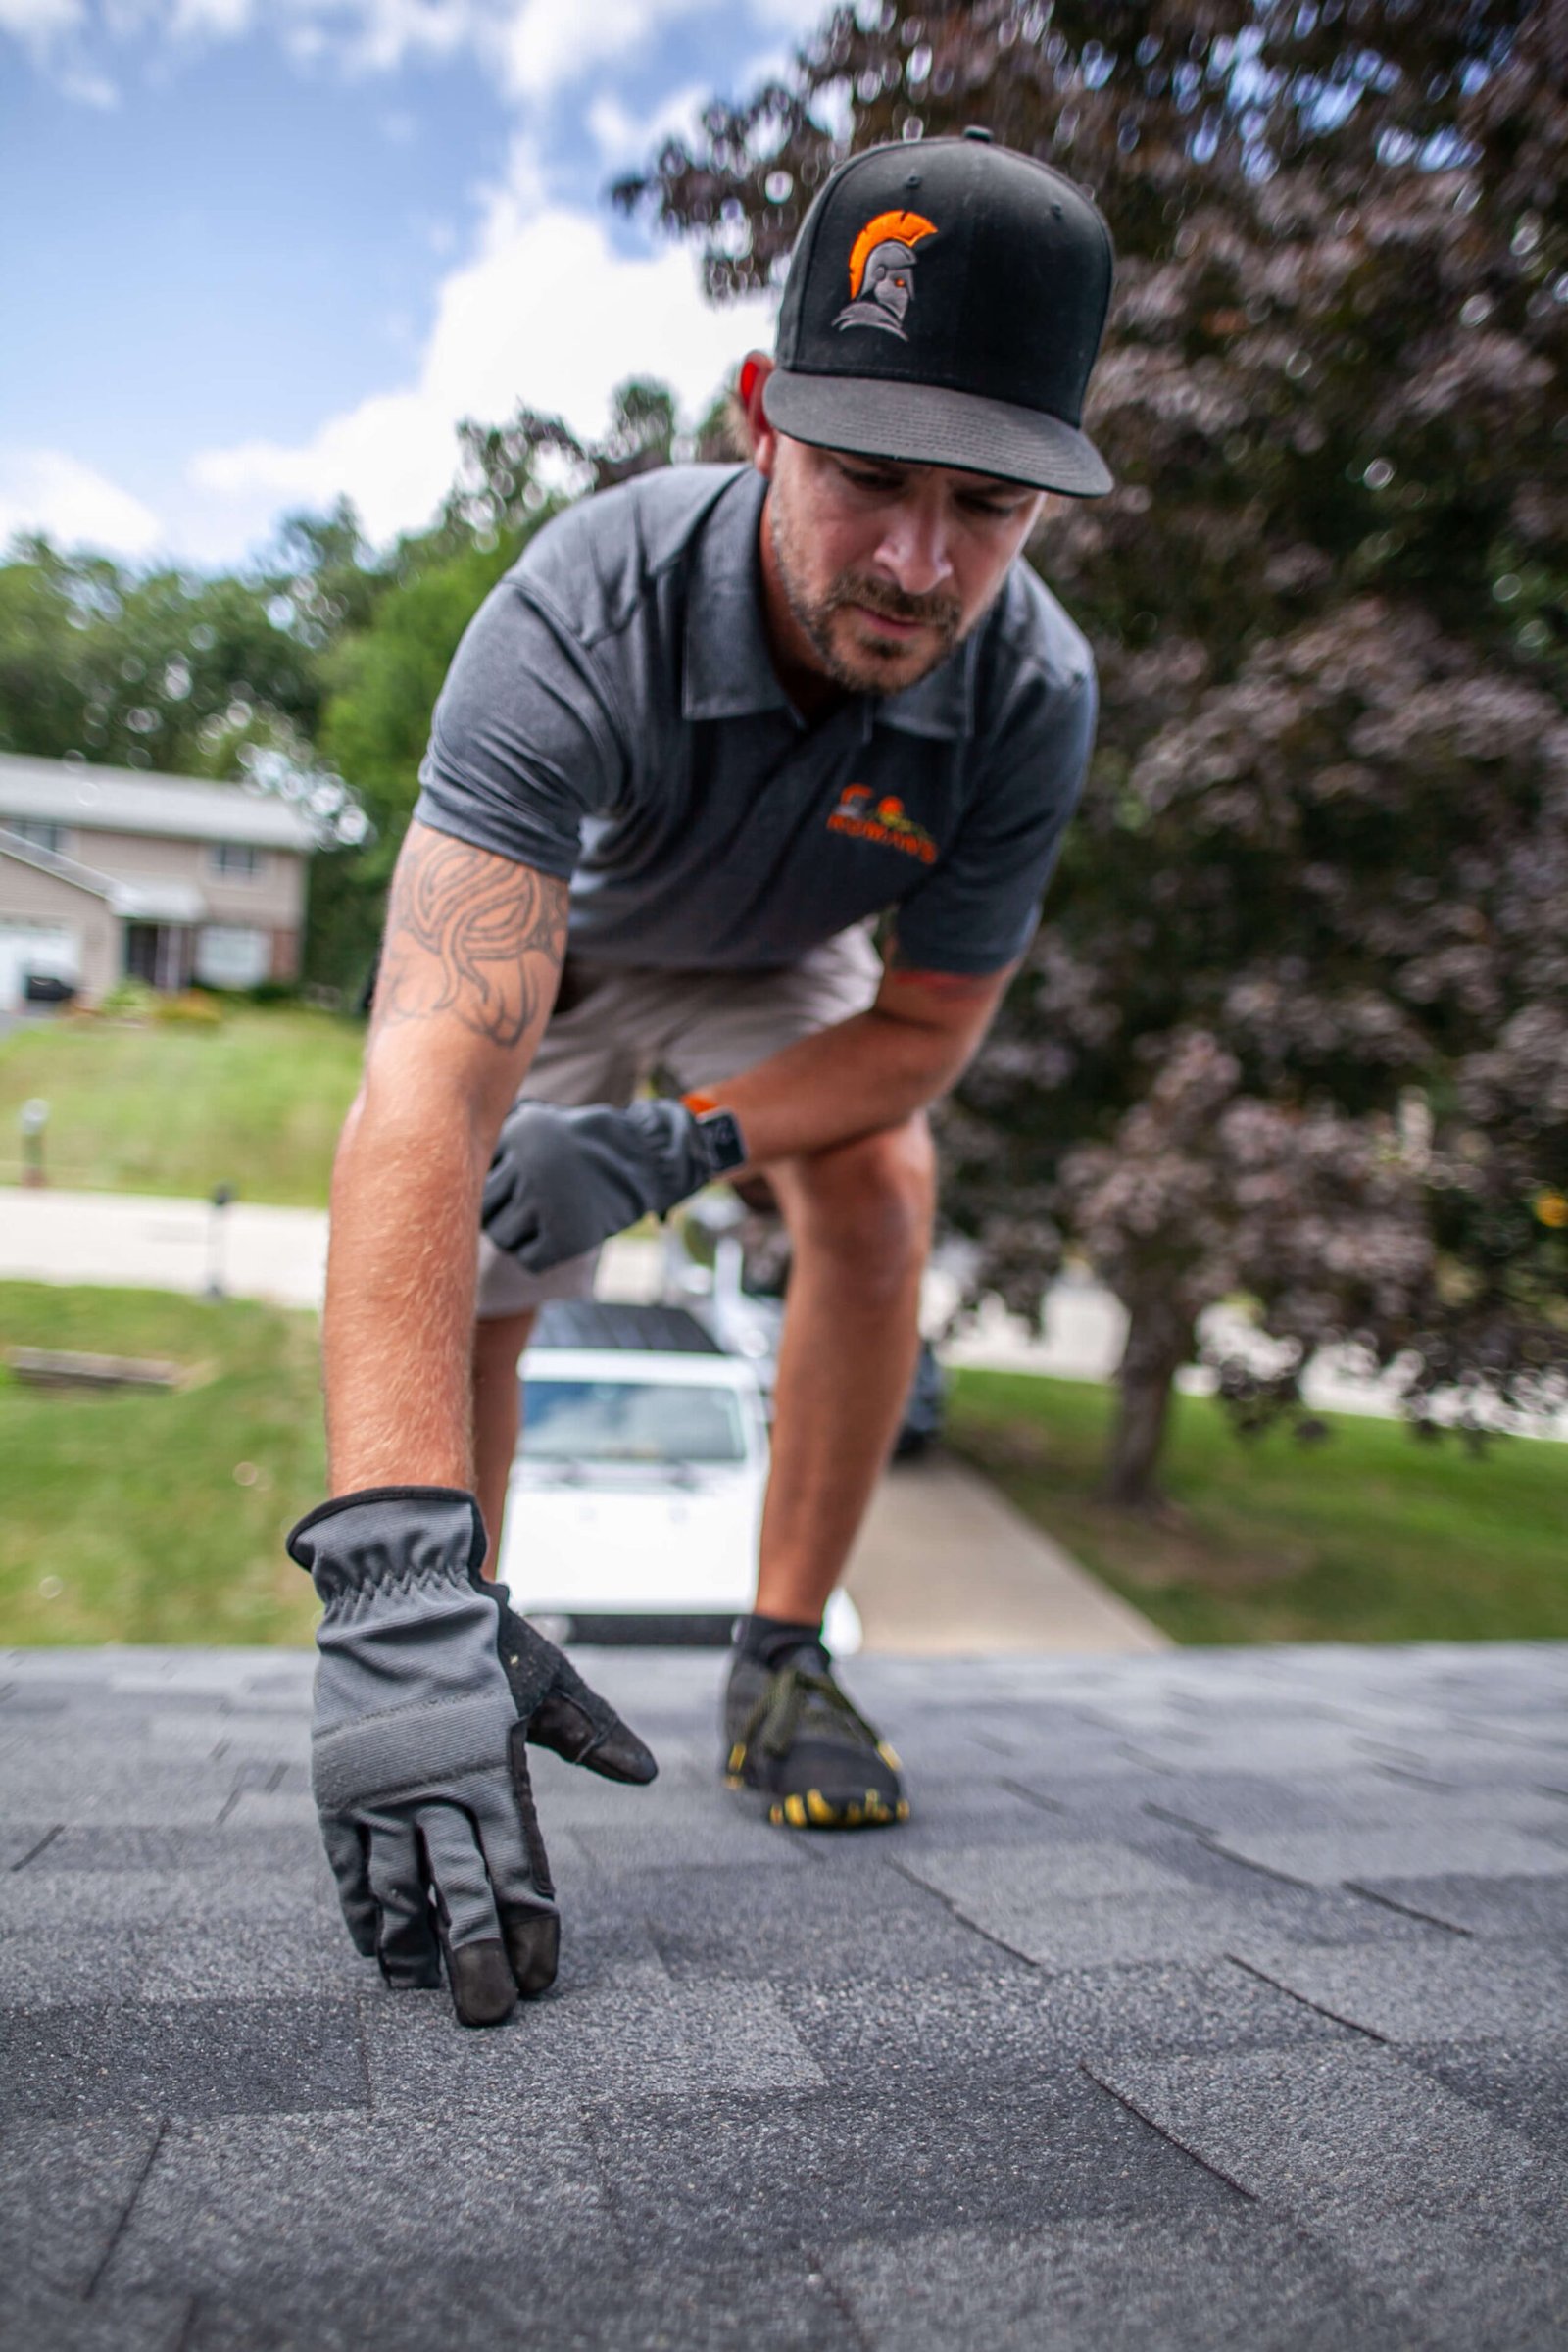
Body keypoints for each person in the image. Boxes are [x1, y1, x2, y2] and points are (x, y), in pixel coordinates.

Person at [287, 129, 1115, 2027]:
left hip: (787, 961)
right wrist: (383, 1582)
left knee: (882, 1180)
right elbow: (417, 1083)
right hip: (562, 929)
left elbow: (922, 1035)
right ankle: (452, 1631)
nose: (916, 561)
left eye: (982, 507)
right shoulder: (581, 606)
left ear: (1043, 510)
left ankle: (780, 1659)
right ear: (763, 419)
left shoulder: (1031, 699)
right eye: (865, 480)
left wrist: (671, 1150)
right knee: (485, 1239)